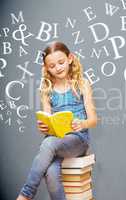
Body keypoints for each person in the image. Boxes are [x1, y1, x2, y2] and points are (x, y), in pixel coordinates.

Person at [16, 41, 98, 200]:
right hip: (56, 141)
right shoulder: (47, 89)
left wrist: (82, 123)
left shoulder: (82, 84)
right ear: (46, 68)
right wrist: (44, 127)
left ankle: (26, 194)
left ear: (70, 58)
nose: (58, 68)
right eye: (52, 66)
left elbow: (93, 120)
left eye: (61, 62)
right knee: (51, 173)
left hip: (78, 140)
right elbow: (48, 120)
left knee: (48, 144)